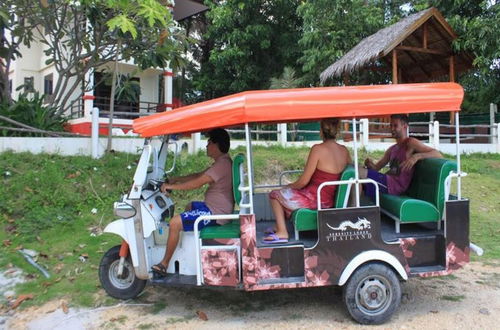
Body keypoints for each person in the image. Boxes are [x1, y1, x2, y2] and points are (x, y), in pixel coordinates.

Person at [151, 128, 234, 276]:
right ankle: (188, 248)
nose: (206, 146)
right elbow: (198, 175)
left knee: (174, 223)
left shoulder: (222, 165)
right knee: (190, 206)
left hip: (215, 213)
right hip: (214, 208)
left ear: (216, 145)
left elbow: (197, 183)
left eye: (209, 142)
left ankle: (164, 264)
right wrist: (176, 179)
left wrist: (171, 186)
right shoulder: (222, 162)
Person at [264, 118, 352, 244]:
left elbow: (303, 182)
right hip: (329, 200)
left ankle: (282, 231)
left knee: (275, 195)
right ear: (337, 130)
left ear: (321, 131)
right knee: (285, 193)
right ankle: (278, 226)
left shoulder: (317, 149)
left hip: (315, 200)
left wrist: (289, 186)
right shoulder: (344, 151)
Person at [359, 114, 442, 199]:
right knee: (356, 181)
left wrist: (416, 157)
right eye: (391, 125)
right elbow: (376, 168)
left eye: (395, 126)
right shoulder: (392, 149)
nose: (392, 129)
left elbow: (438, 154)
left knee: (357, 172)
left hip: (394, 187)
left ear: (405, 126)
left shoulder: (410, 143)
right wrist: (369, 164)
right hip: (386, 181)